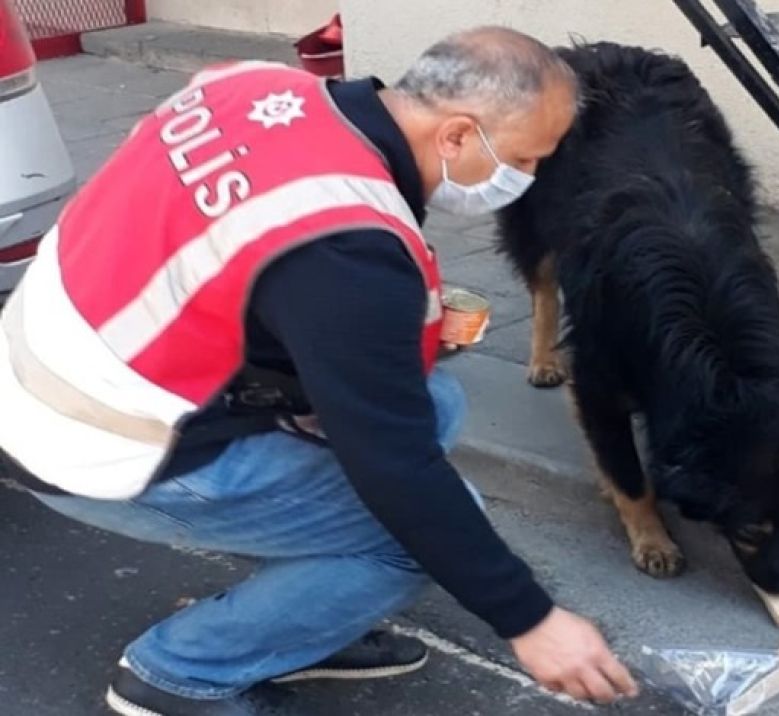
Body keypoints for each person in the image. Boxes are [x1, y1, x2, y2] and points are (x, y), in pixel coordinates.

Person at [0, 26, 637, 715]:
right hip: (90, 438)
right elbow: (397, 472)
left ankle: (301, 618)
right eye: (524, 158)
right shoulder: (349, 248)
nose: (527, 179)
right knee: (411, 536)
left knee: (438, 405)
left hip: (50, 360)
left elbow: (230, 260)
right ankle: (178, 675)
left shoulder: (253, 86)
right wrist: (530, 619)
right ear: (456, 136)